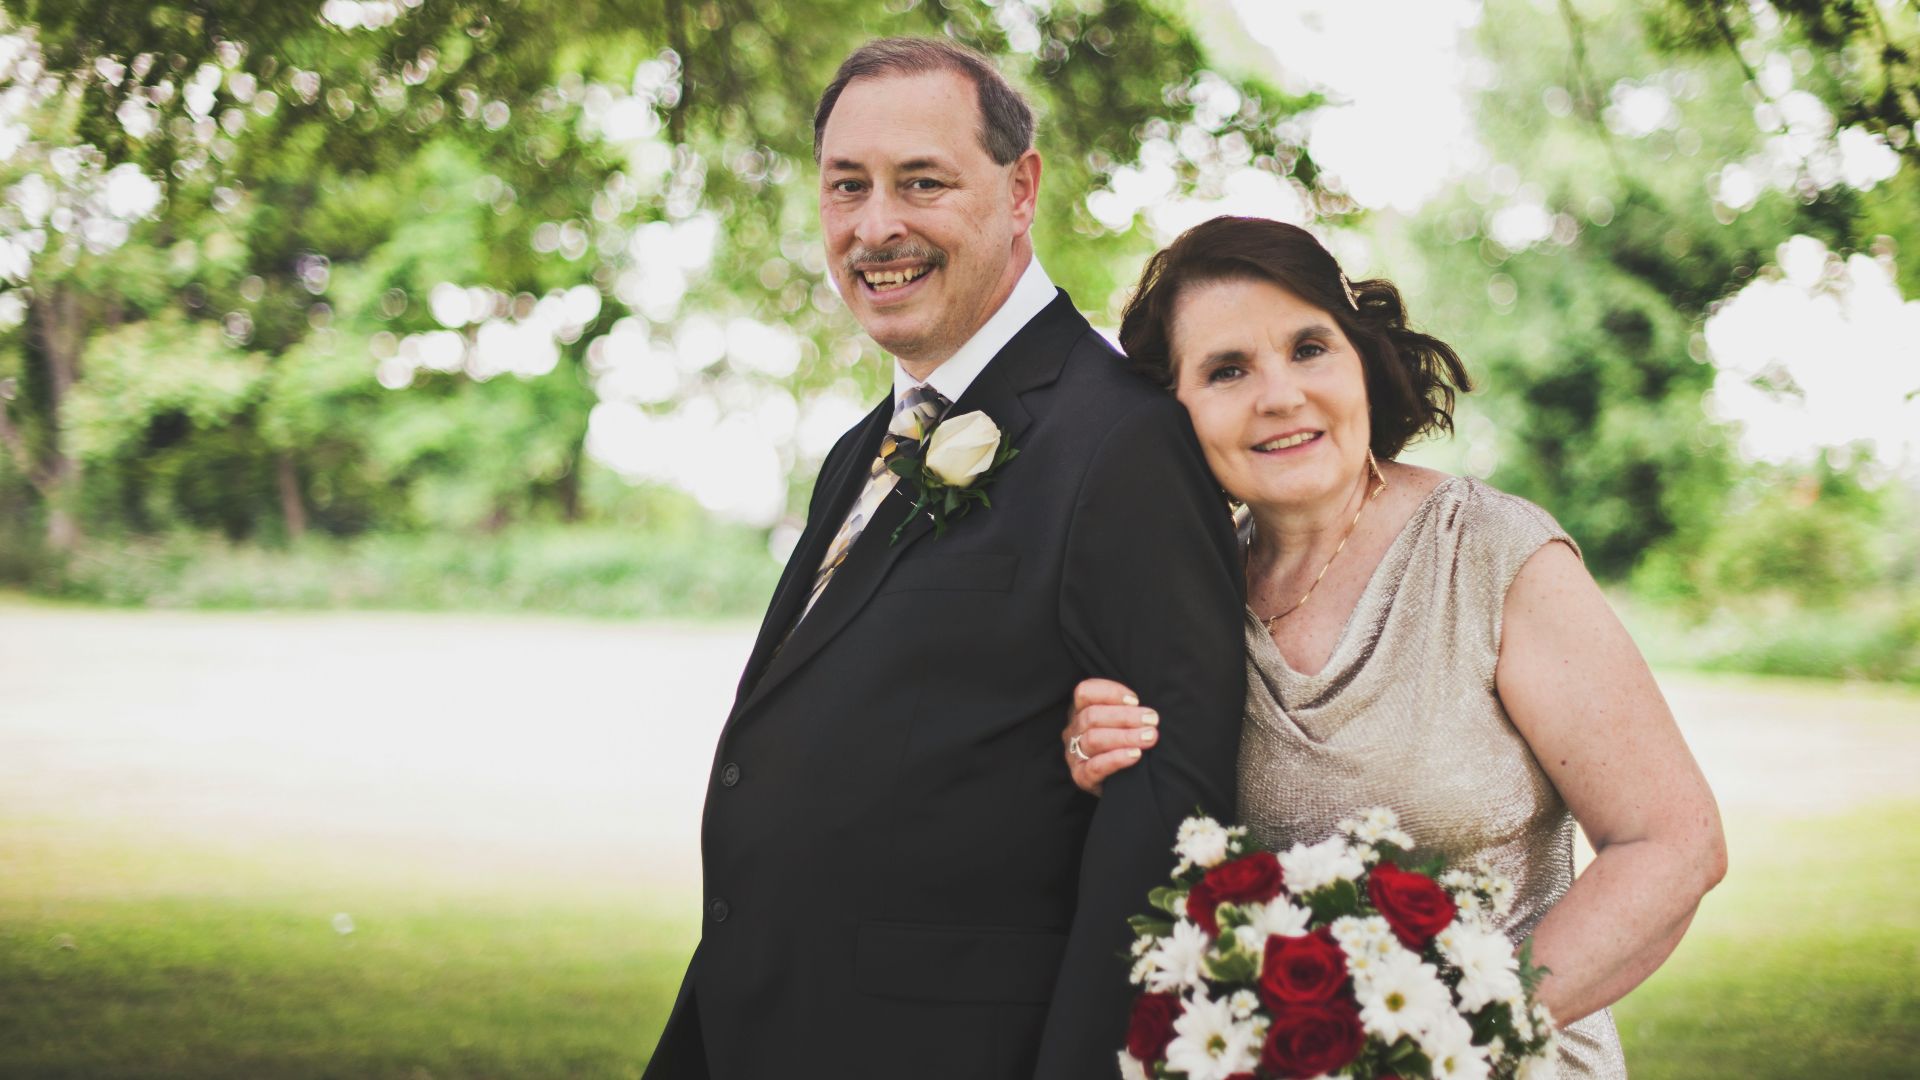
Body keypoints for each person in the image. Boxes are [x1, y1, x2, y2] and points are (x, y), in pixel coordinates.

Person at [642, 39, 1247, 1080]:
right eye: (848, 187)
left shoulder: (1122, 441)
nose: (877, 226)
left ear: (1021, 190)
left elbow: (1167, 817)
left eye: (922, 181)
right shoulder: (862, 448)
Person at [1060, 216, 1728, 1078]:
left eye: (1309, 349)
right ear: (1170, 411)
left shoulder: (1490, 551)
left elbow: (1672, 844)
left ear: (1364, 362)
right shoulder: (1177, 596)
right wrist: (1092, 756)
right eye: (1227, 370)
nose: (1280, 395)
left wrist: (1444, 1036)